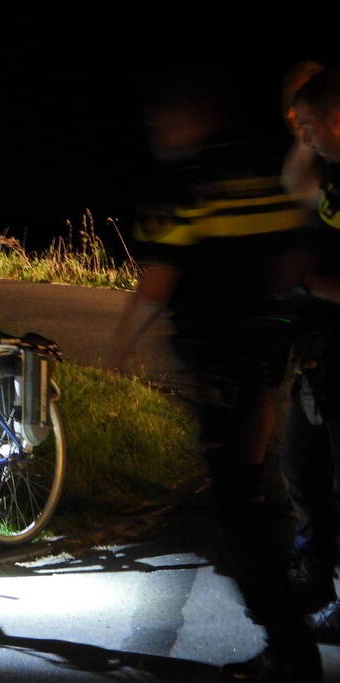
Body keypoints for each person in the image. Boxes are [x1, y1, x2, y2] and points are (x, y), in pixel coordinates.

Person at [106, 76, 318, 680]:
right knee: (261, 488)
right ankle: (292, 629)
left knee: (240, 509)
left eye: (161, 124)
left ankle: (287, 645)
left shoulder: (183, 185)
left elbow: (156, 286)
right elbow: (293, 258)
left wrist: (115, 357)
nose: (157, 135)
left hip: (220, 366)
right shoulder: (259, 168)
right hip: (265, 360)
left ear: (183, 120)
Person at [280, 66, 340, 639]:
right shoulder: (333, 176)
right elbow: (296, 184)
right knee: (300, 465)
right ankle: (316, 580)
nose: (304, 136)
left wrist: (308, 284)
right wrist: (306, 130)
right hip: (320, 355)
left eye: (310, 125)